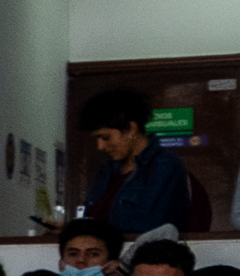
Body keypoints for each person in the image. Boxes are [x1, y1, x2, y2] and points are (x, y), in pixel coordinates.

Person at [80, 84, 199, 235]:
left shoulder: (165, 166)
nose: (100, 146)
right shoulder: (106, 171)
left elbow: (148, 224)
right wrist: (73, 230)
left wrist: (96, 231)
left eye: (105, 137)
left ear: (131, 129)